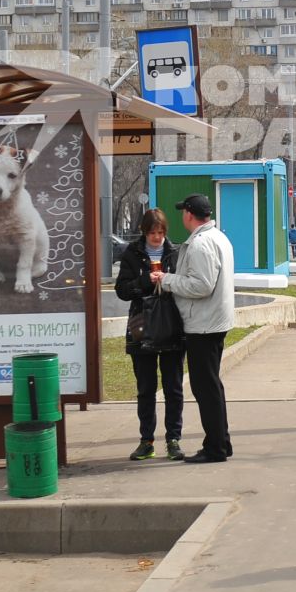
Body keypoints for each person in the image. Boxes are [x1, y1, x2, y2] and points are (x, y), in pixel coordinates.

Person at [153, 193, 235, 463]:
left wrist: (167, 280)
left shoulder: (200, 244)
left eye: (182, 212)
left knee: (205, 388)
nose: (181, 216)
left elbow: (201, 285)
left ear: (189, 214)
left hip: (203, 324)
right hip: (214, 320)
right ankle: (221, 442)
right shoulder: (219, 237)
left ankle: (215, 448)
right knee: (212, 386)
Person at [114, 209, 185, 462]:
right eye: (153, 233)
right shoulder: (132, 253)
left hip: (171, 325)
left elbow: (185, 285)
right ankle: (147, 440)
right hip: (141, 325)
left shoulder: (174, 253)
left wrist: (167, 280)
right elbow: (121, 290)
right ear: (144, 232)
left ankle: (174, 439)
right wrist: (145, 280)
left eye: (161, 232)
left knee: (173, 388)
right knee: (146, 388)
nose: (157, 237)